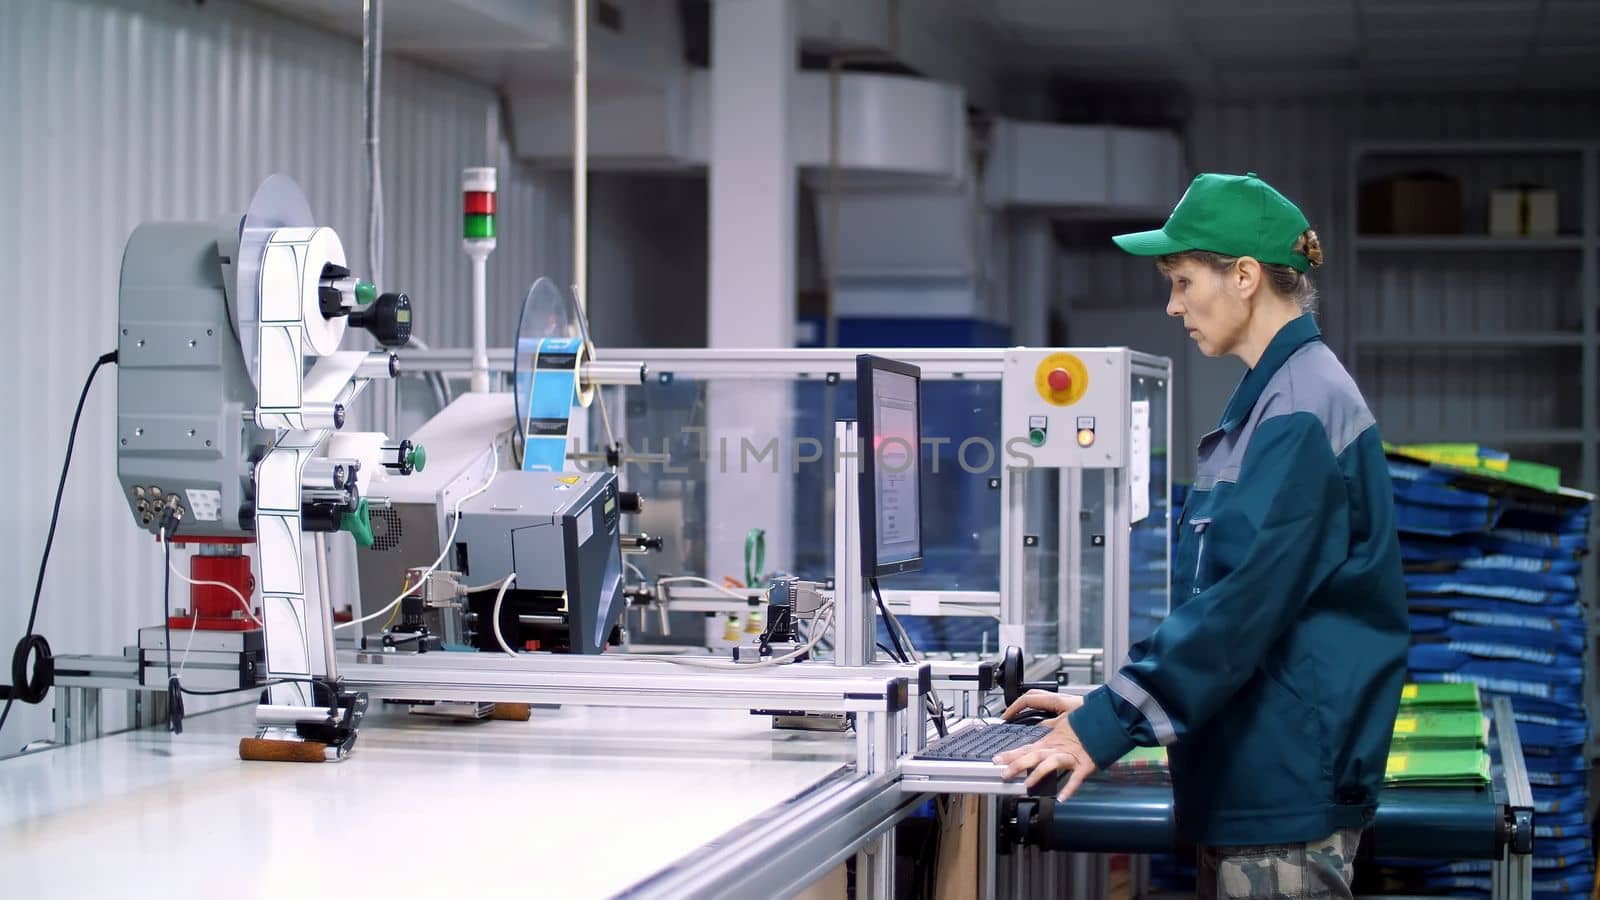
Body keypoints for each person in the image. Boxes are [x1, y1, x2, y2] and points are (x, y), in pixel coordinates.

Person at [994, 173, 1409, 900]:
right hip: (1257, 773)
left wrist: (1108, 721)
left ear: (1244, 276)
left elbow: (1237, 611)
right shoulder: (1278, 400)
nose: (1173, 304)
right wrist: (1108, 703)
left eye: (1184, 281)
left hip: (1283, 789)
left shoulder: (1301, 411)